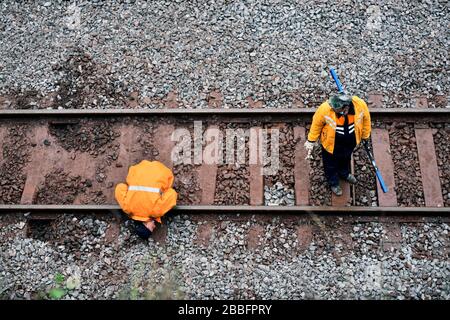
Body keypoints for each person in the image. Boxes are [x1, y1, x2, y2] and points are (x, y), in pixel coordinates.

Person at [304, 94, 371, 196]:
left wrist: (365, 136)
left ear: (346, 107)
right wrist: (311, 141)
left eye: (337, 108)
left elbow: (366, 120)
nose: (333, 109)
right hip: (331, 144)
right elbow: (316, 125)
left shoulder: (360, 105)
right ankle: (333, 182)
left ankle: (344, 173)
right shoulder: (325, 108)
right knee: (330, 164)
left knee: (346, 158)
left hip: (349, 142)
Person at [115, 160, 177, 239]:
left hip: (161, 170)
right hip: (138, 168)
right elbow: (120, 187)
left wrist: (162, 192)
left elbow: (172, 194)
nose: (154, 226)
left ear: (145, 225)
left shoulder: (156, 212)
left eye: (151, 228)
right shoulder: (127, 208)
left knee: (167, 186)